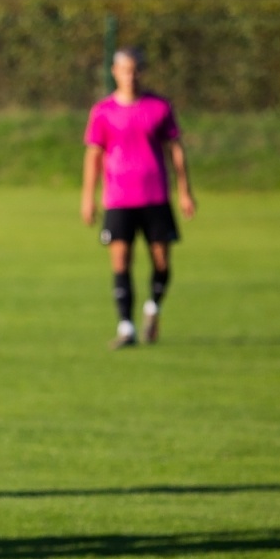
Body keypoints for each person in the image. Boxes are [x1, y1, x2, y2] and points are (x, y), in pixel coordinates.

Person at [80, 47, 195, 349]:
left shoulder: (159, 107)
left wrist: (185, 191)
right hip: (118, 198)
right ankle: (126, 327)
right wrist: (88, 197)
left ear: (142, 71)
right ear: (114, 72)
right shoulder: (103, 111)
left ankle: (153, 308)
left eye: (135, 70)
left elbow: (175, 149)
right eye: (124, 70)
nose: (130, 76)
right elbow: (93, 155)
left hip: (155, 196)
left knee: (161, 261)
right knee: (121, 261)